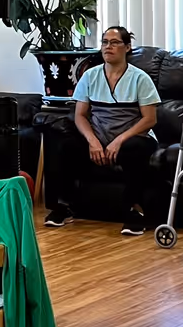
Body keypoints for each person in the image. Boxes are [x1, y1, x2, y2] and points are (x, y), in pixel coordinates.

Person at [44, 26, 164, 236]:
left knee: (133, 149)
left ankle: (134, 210)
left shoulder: (140, 78)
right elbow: (80, 115)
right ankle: (63, 206)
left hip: (133, 137)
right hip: (99, 137)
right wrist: (92, 141)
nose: (108, 47)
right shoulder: (90, 76)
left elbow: (149, 119)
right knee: (65, 145)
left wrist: (119, 140)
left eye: (115, 42)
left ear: (127, 47)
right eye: (105, 42)